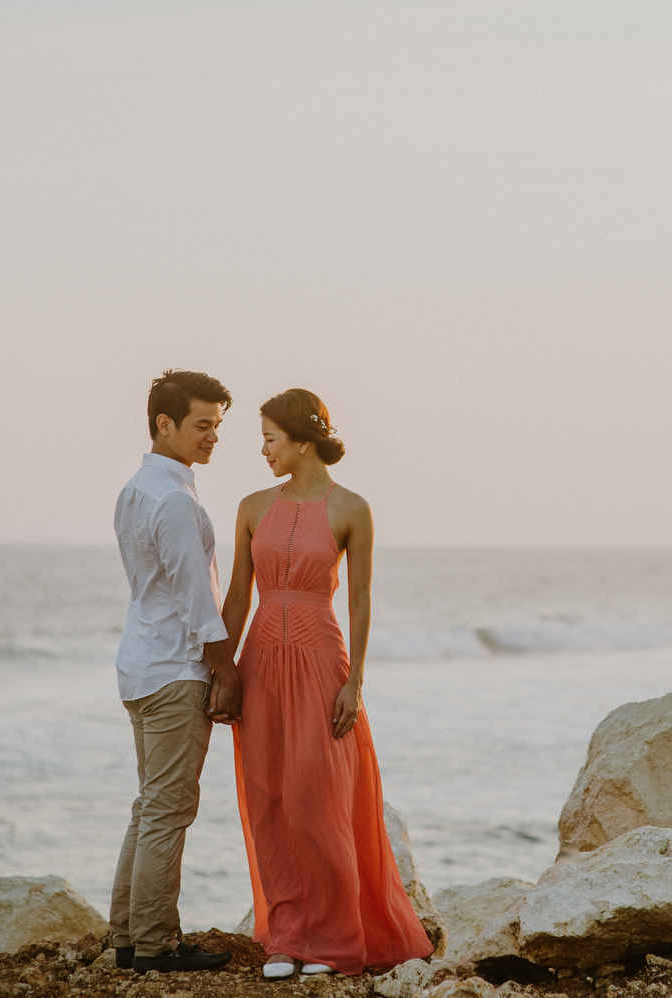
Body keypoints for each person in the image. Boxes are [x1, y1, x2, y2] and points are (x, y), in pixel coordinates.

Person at [222, 389, 433, 980]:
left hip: (321, 659)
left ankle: (335, 941)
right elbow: (239, 597)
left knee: (319, 800)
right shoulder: (250, 506)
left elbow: (362, 599)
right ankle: (286, 938)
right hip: (260, 658)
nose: (262, 450)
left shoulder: (352, 508)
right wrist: (219, 669)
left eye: (269, 438)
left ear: (302, 440)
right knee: (270, 798)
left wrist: (355, 683)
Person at [108, 369, 243, 974]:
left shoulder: (136, 489)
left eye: (217, 425)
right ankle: (156, 946)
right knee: (168, 808)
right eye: (202, 425)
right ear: (165, 424)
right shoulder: (174, 501)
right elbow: (196, 602)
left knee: (150, 805)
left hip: (141, 665)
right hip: (172, 670)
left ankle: (128, 938)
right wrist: (227, 673)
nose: (213, 436)